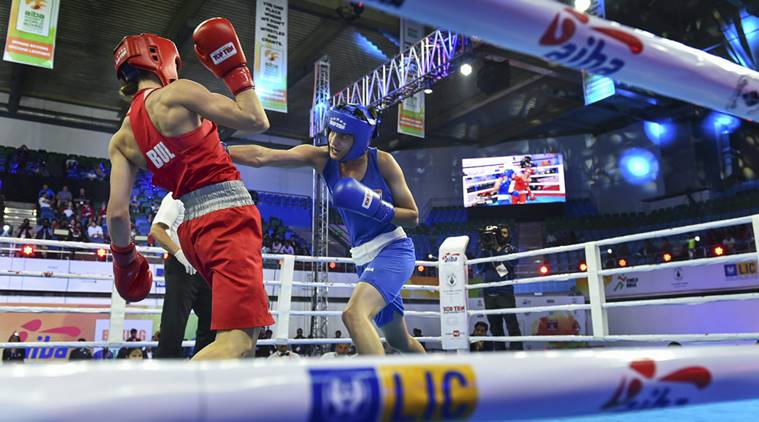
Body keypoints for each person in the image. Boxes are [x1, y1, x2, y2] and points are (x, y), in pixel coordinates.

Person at [108, 20, 272, 360]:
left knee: (243, 338)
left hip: (193, 231)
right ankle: (169, 406)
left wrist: (126, 262)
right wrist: (233, 70)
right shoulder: (177, 93)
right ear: (161, 59)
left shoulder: (121, 139)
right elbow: (256, 119)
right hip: (227, 219)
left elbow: (117, 214)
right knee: (238, 341)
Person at [229, 103, 424, 356]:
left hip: (393, 250)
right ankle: (442, 389)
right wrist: (218, 150)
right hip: (364, 258)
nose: (334, 140)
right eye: (332, 132)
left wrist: (376, 207)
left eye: (344, 136)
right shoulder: (321, 158)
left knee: (354, 315)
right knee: (400, 341)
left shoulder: (383, 162)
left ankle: (380, 391)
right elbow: (263, 155)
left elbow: (413, 217)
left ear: (363, 139)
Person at [150, 192, 214, 358]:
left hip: (206, 267)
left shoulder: (211, 198)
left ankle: (201, 370)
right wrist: (179, 253)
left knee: (212, 324)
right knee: (173, 326)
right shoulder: (175, 196)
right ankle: (165, 377)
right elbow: (157, 230)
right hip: (181, 267)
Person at [477, 224, 523, 351]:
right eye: (500, 233)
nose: (502, 235)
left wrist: (496, 252)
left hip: (505, 292)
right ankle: (500, 354)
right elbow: (479, 268)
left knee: (512, 325)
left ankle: (517, 353)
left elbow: (505, 271)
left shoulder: (512, 249)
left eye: (505, 233)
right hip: (488, 292)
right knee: (495, 327)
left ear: (509, 235)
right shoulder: (487, 249)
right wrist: (485, 250)